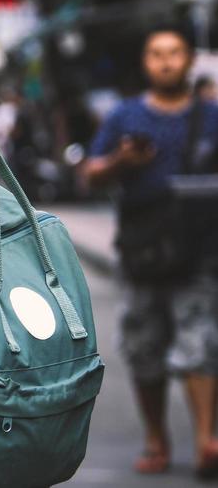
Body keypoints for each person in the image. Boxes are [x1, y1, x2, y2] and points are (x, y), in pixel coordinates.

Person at [84, 26, 218, 477]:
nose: (165, 62)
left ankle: (205, 441)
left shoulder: (212, 116)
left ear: (189, 60)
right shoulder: (125, 117)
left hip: (201, 250)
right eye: (157, 54)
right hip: (142, 251)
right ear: (146, 62)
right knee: (145, 350)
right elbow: (91, 174)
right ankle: (157, 439)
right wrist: (124, 161)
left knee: (199, 344)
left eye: (174, 53)